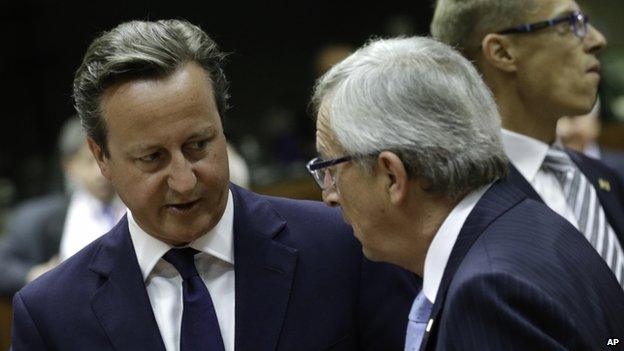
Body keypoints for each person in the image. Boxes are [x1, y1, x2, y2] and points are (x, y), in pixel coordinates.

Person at [10, 19, 418, 351]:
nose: (185, 182)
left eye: (198, 145)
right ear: (101, 157)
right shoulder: (51, 315)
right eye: (152, 158)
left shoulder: (346, 247)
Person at [309, 36, 624, 350]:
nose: (329, 195)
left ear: (392, 176)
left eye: (331, 169)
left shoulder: (487, 292)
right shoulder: (530, 222)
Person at [431, 0, 624, 284]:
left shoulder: (602, 177)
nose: (596, 40)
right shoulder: (448, 202)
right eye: (568, 24)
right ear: (502, 52)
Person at [0, 117, 123, 297]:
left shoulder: (145, 207)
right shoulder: (36, 219)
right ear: (69, 166)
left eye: (106, 158)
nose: (100, 173)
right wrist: (34, 275)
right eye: (90, 161)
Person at [557, 98, 624, 180]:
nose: (563, 130)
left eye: (572, 118)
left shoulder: (619, 168)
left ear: (595, 123)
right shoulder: (546, 168)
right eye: (556, 120)